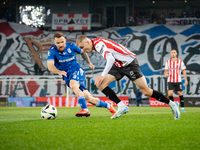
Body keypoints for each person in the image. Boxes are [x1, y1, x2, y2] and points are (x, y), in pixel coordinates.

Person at [76, 36, 180, 120]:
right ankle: (121, 106)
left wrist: (102, 75)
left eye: (83, 47)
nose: (83, 50)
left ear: (88, 42)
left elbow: (110, 59)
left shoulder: (98, 45)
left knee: (146, 91)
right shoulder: (95, 43)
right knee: (100, 84)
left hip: (129, 63)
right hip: (119, 64)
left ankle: (172, 104)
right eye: (81, 49)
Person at [47, 32, 116, 117]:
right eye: (58, 43)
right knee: (89, 98)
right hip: (67, 76)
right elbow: (50, 66)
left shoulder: (71, 46)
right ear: (54, 43)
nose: (60, 44)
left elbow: (82, 52)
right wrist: (58, 71)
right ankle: (109, 106)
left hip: (77, 70)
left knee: (73, 85)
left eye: (62, 42)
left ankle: (85, 109)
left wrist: (89, 63)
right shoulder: (52, 51)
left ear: (65, 40)